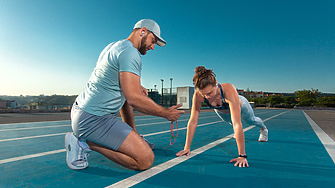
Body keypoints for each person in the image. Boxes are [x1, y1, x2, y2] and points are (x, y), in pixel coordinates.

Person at [65, 19, 185, 171]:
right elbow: (134, 99)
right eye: (153, 41)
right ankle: (83, 143)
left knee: (128, 95)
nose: (153, 47)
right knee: (145, 160)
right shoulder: (130, 53)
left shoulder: (114, 46)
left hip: (81, 111)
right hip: (93, 120)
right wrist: (166, 113)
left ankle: (132, 134)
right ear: (143, 31)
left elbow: (108, 77)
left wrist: (134, 85)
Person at [176, 66, 268, 167]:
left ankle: (263, 129)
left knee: (251, 121)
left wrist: (242, 155)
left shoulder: (228, 89)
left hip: (242, 106)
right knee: (231, 123)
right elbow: (193, 121)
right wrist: (187, 148)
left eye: (210, 92)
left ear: (216, 83)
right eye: (204, 94)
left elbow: (237, 123)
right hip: (221, 110)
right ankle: (238, 134)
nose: (208, 97)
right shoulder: (198, 95)